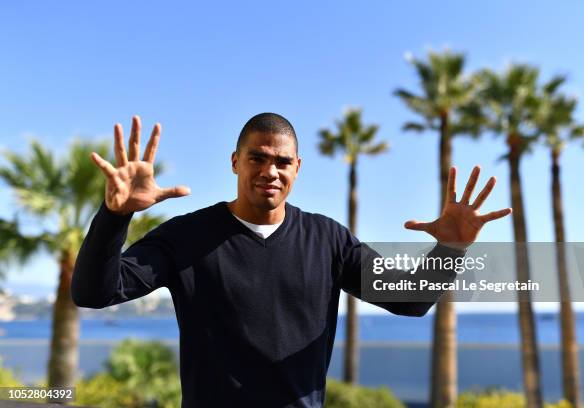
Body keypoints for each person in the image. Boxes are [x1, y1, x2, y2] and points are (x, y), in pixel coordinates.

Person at [71, 113, 511, 407]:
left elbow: (410, 300)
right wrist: (115, 215)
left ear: (297, 167)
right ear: (235, 162)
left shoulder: (328, 239)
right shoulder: (186, 236)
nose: (270, 171)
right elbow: (94, 292)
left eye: (282, 161)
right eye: (257, 158)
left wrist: (452, 249)